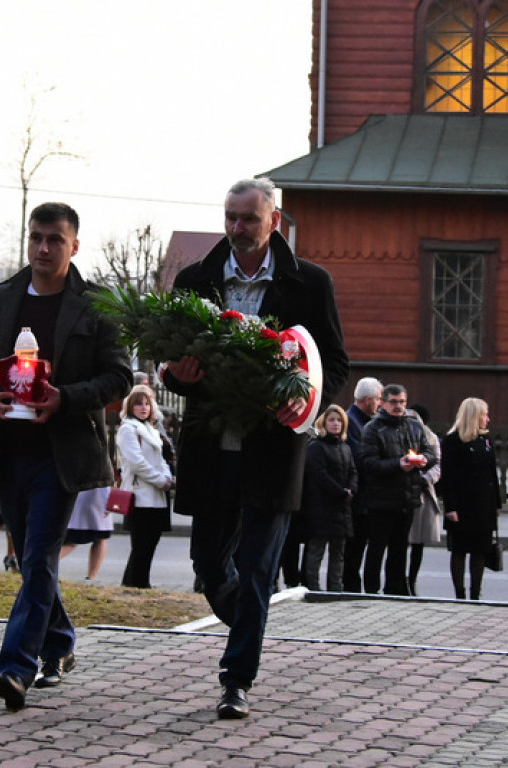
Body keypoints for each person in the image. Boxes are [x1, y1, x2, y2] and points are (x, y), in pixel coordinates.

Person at [162, 177, 348, 719]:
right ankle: (249, 616)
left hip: (273, 446)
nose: (237, 228)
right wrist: (180, 375)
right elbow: (173, 368)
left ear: (275, 220)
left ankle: (235, 679)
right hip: (212, 444)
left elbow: (333, 363)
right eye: (230, 217)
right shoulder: (196, 280)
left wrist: (301, 400)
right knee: (209, 565)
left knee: (260, 567)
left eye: (248, 218)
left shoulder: (309, 283)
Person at [0, 201, 131, 711]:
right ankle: (59, 641)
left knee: (36, 557)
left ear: (74, 245)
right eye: (36, 237)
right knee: (31, 561)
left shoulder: (96, 305)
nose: (43, 248)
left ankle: (14, 668)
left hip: (61, 455)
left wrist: (65, 398)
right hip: (6, 451)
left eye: (55, 239)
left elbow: (118, 377)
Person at [357, 383, 437, 596]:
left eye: (401, 402)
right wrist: (397, 465)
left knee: (400, 549)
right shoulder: (373, 428)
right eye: (393, 402)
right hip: (381, 499)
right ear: (382, 403)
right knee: (376, 548)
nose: (398, 406)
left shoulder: (414, 426)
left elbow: (431, 453)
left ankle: (395, 589)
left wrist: (422, 460)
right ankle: (371, 590)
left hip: (407, 498)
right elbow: (368, 463)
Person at [439, 398, 501, 600]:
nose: (487, 419)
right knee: (459, 550)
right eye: (484, 414)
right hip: (461, 504)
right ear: (473, 416)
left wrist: (497, 503)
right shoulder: (452, 441)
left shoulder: (486, 441)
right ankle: (459, 593)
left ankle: (476, 592)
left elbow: (493, 475)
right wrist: (451, 507)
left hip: (483, 504)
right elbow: (447, 477)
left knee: (480, 550)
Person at [116, 385, 174, 589]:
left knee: (150, 542)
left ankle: (137, 582)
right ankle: (137, 583)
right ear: (130, 407)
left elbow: (160, 459)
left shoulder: (151, 428)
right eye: (138, 403)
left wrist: (167, 477)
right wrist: (161, 479)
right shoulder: (128, 428)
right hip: (140, 494)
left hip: (156, 493)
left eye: (146, 403)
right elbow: (136, 462)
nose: (143, 407)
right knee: (141, 544)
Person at [301, 404, 357, 592]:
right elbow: (319, 475)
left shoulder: (345, 448)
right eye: (332, 420)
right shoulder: (316, 446)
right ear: (324, 423)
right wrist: (341, 491)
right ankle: (313, 588)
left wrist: (351, 488)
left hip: (342, 508)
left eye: (339, 420)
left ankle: (335, 588)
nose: (336, 423)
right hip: (321, 507)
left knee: (338, 553)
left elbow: (352, 471)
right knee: (316, 550)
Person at [342, 376, 383, 592]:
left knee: (357, 549)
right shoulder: (353, 423)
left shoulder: (363, 422)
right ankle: (349, 587)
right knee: (352, 549)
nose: (380, 403)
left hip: (364, 497)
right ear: (367, 400)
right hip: (357, 499)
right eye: (378, 399)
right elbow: (360, 459)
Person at [406, 405, 441, 597]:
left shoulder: (431, 438)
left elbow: (437, 464)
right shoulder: (400, 434)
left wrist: (423, 479)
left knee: (418, 542)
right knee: (403, 540)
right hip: (403, 490)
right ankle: (401, 578)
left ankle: (412, 579)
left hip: (423, 492)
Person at [60, 487, 113, 581]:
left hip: (79, 495)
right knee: (99, 537)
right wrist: (107, 502)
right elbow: (104, 479)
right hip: (97, 498)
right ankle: (91, 576)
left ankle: (91, 576)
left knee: (72, 540)